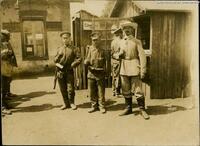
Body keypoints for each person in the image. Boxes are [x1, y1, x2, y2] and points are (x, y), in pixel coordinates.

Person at [118, 21, 149, 120]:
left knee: (138, 89)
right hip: (124, 66)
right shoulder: (121, 42)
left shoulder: (137, 41)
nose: (126, 30)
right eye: (125, 28)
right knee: (125, 89)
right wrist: (118, 55)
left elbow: (142, 56)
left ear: (132, 29)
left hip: (134, 66)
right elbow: (116, 54)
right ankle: (128, 108)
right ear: (123, 30)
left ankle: (142, 109)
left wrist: (143, 70)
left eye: (129, 28)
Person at [54, 31, 81, 110]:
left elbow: (79, 59)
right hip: (60, 72)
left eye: (67, 38)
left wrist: (73, 64)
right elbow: (55, 61)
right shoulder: (59, 49)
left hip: (69, 71)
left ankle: (72, 103)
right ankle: (66, 103)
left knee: (71, 89)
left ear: (70, 38)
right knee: (63, 88)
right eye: (63, 38)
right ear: (62, 39)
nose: (65, 40)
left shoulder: (74, 49)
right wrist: (57, 58)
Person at [84, 32, 107, 114]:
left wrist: (105, 73)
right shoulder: (89, 49)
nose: (95, 42)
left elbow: (106, 63)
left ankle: (101, 106)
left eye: (97, 40)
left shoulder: (103, 51)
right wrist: (86, 62)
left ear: (100, 40)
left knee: (101, 92)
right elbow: (86, 60)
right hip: (91, 73)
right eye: (93, 40)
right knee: (92, 91)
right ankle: (94, 106)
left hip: (100, 74)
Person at [1, 29, 17, 115]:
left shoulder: (5, 44)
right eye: (4, 36)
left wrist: (8, 53)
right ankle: (2, 107)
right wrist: (4, 52)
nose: (6, 38)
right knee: (1, 88)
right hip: (1, 69)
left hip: (5, 68)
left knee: (4, 88)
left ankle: (4, 104)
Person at [110, 25, 123, 97]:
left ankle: (114, 91)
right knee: (118, 76)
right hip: (118, 60)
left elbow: (111, 53)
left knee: (114, 76)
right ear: (120, 33)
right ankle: (117, 92)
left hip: (113, 61)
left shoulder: (113, 42)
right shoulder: (120, 41)